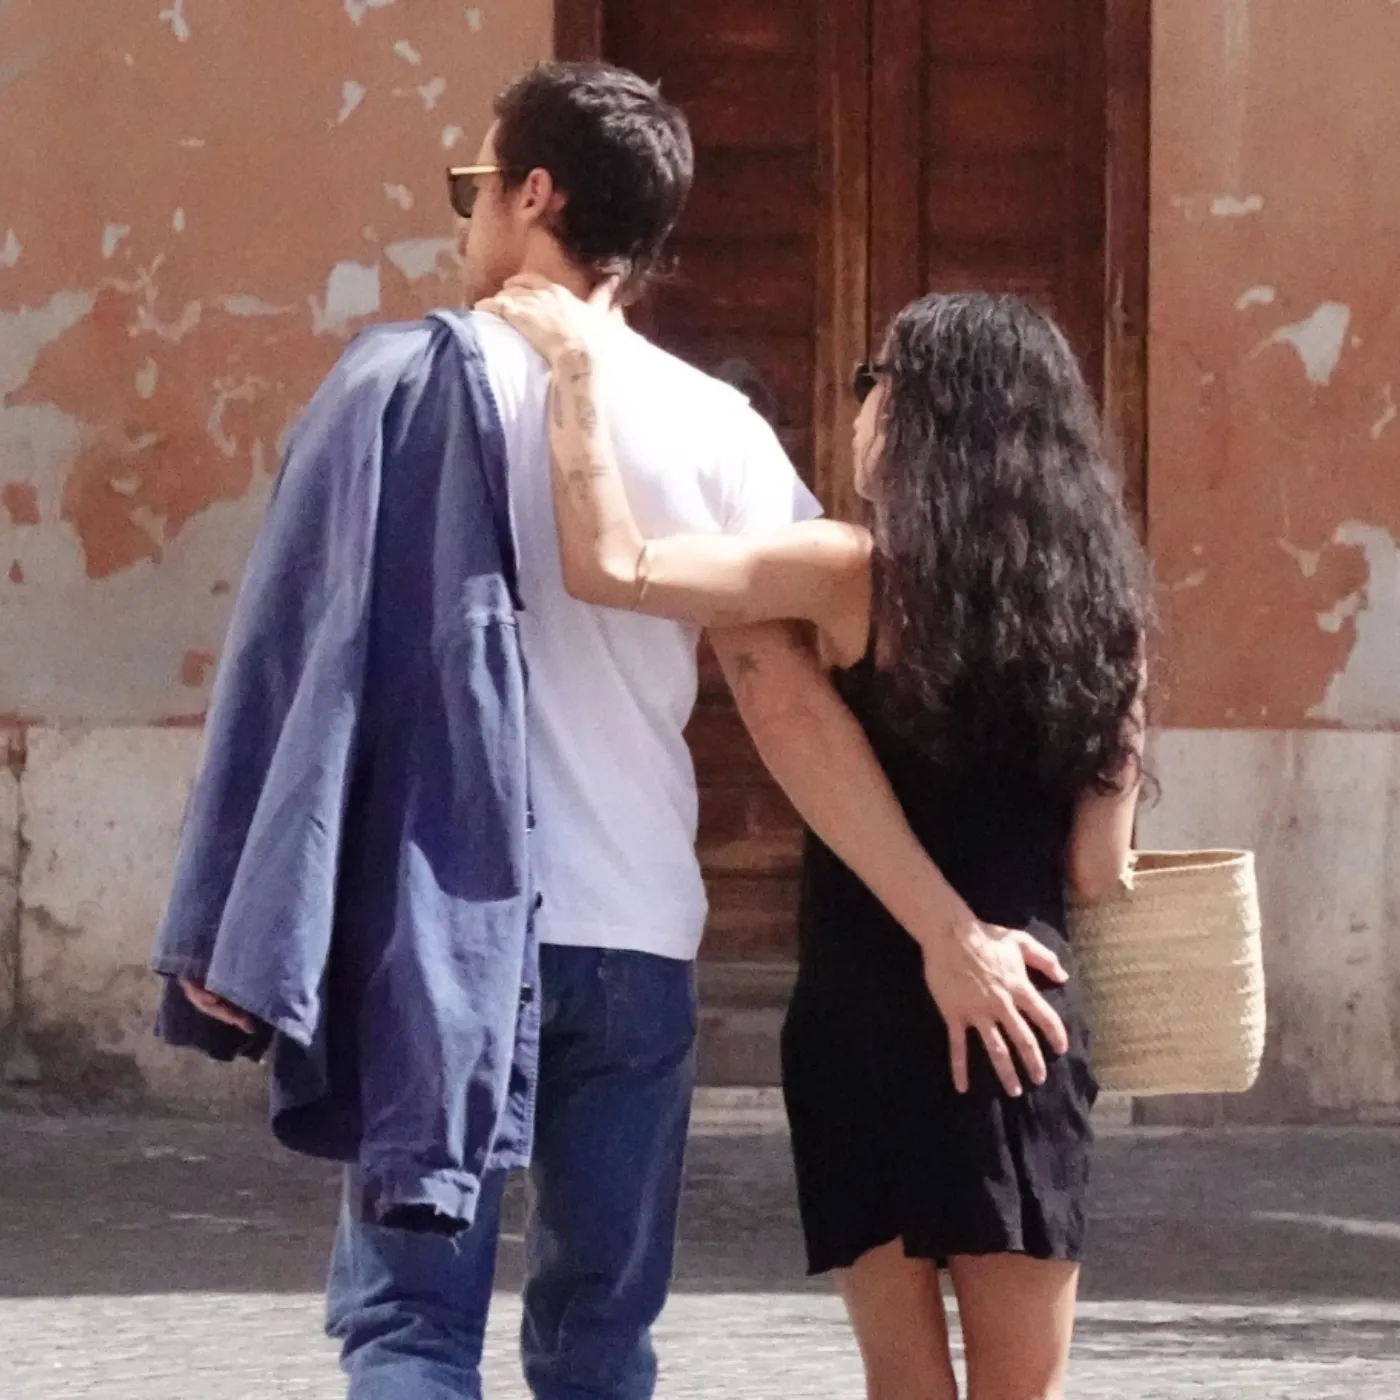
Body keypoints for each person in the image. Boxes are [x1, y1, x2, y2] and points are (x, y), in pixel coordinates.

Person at [161, 62, 1075, 1400]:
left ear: (534, 193)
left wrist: (237, 906)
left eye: (474, 185)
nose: (468, 216)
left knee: (409, 1328)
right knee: (598, 1342)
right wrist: (945, 916)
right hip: (638, 933)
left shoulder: (391, 385)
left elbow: (296, 664)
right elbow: (782, 693)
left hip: (439, 930)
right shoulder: (715, 424)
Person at [478, 275, 1153, 1400]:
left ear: (922, 413)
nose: (860, 403)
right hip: (1019, 1017)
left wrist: (578, 374)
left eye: (873, 379)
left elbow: (613, 564)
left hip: (864, 1010)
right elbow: (1095, 870)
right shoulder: (1106, 618)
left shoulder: (850, 575)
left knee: (900, 1383)